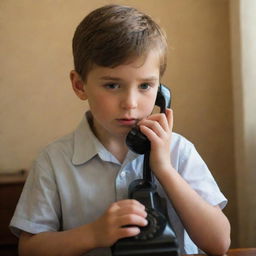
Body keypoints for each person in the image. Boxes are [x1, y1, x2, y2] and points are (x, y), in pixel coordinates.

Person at [10, 4, 230, 256]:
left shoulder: (178, 150)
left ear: (161, 91)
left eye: (145, 86)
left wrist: (165, 170)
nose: (131, 103)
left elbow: (219, 243)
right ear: (80, 85)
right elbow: (29, 249)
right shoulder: (54, 161)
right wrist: (93, 234)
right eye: (113, 85)